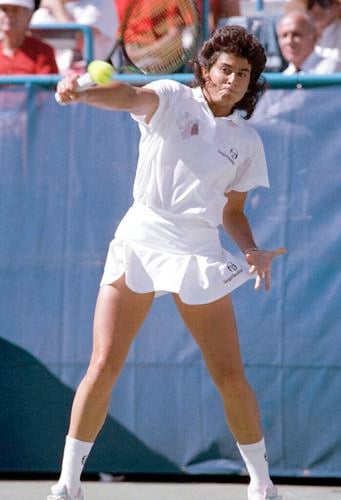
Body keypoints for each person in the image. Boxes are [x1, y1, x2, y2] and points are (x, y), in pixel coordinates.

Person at [50, 25, 285, 500]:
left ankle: (261, 484)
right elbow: (126, 98)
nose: (233, 79)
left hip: (197, 249)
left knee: (229, 373)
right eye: (225, 69)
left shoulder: (247, 141)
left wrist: (250, 250)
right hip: (141, 236)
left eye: (243, 73)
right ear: (205, 68)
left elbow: (233, 211)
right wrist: (84, 91)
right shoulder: (171, 96)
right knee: (104, 362)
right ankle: (68, 482)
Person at [31, 0, 118, 74]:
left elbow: (78, 38)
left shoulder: (101, 3)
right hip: (52, 81)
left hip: (93, 80)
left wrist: (57, 7)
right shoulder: (43, 12)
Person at [0, 0, 58, 74]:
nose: (9, 15)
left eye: (15, 10)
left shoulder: (44, 52)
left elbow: (47, 85)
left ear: (29, 16)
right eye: (4, 9)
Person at [307, 0, 341, 69]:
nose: (316, 7)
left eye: (323, 2)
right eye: (311, 3)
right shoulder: (304, 33)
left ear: (337, 7)